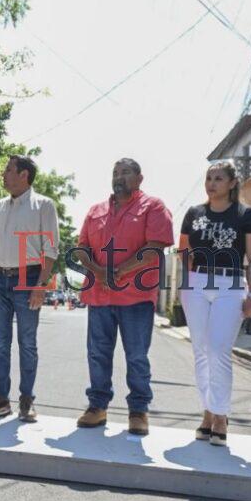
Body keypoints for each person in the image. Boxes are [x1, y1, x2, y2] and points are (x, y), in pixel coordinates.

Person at [76, 158, 173, 436]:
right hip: (99, 295)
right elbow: (82, 247)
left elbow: (155, 247)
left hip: (136, 297)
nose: (119, 177)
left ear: (139, 178)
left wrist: (118, 271)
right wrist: (98, 271)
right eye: (115, 173)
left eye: (126, 172)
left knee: (137, 357)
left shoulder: (153, 207)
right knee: (97, 354)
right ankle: (97, 407)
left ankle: (138, 411)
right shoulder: (96, 210)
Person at [177, 161, 251, 445]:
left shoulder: (246, 214)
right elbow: (183, 249)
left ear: (232, 183)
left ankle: (221, 416)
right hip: (197, 284)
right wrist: (187, 280)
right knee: (200, 350)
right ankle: (208, 413)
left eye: (218, 178)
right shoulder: (194, 213)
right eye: (209, 178)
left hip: (230, 284)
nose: (211, 183)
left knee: (218, 350)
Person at [0, 155, 60, 423]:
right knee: (0, 343)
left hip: (29, 278)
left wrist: (41, 285)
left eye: (8, 170)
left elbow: (50, 250)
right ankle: (1, 399)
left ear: (24, 174)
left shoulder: (43, 206)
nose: (3, 174)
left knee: (27, 343)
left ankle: (27, 400)